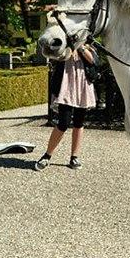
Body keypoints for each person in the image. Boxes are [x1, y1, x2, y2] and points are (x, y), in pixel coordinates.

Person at [35, 43, 97, 171]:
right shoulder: (63, 43)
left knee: (79, 123)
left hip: (82, 86)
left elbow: (93, 61)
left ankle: (74, 157)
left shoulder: (87, 43)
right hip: (66, 86)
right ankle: (47, 155)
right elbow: (56, 57)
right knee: (63, 123)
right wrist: (69, 46)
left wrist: (80, 47)